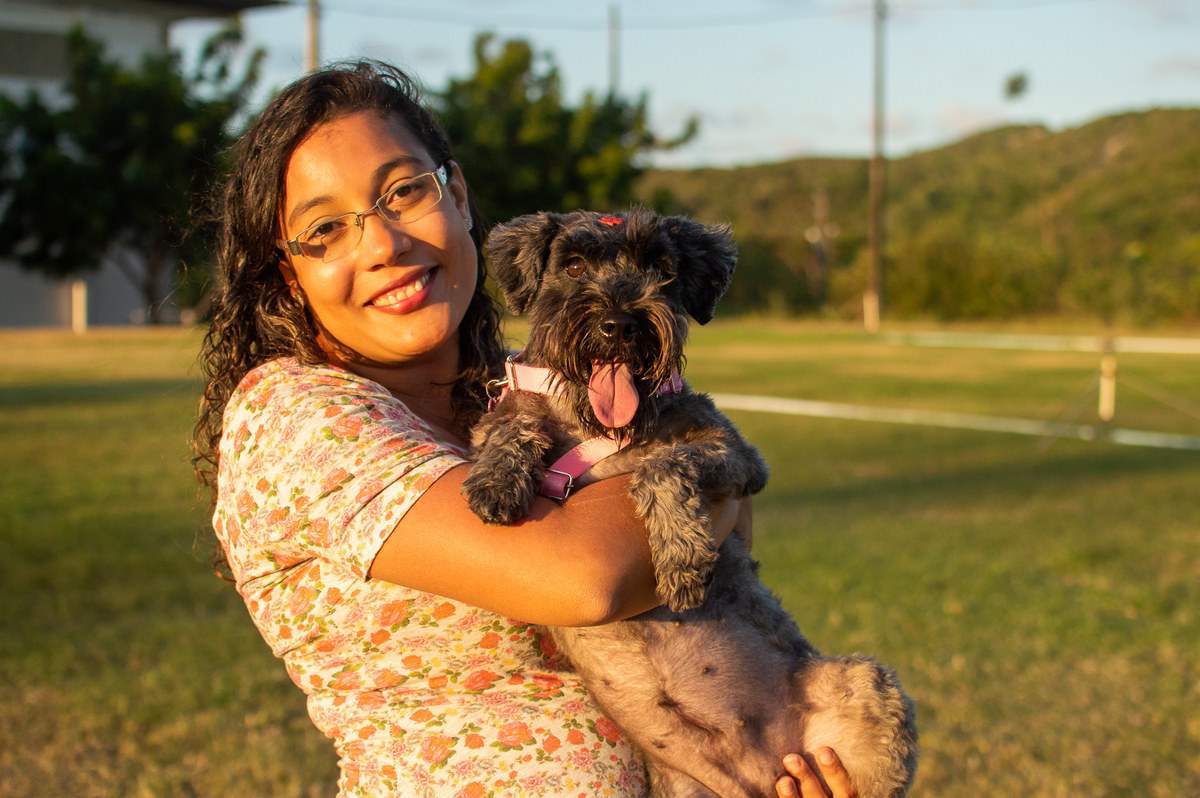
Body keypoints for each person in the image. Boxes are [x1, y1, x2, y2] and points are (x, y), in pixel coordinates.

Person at [194, 60, 857, 798]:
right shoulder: (292, 415)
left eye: (403, 191)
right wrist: (696, 460)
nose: (382, 245)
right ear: (290, 275)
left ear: (457, 192)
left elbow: (727, 543)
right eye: (325, 229)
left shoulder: (532, 385)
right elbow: (589, 578)